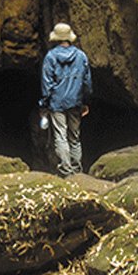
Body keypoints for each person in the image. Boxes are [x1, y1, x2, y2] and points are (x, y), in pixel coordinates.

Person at [39, 22, 92, 177]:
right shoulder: (81, 56)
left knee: (60, 136)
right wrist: (85, 101)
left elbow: (46, 84)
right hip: (75, 102)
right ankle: (77, 171)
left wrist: (44, 104)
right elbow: (87, 82)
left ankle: (66, 171)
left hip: (57, 103)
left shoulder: (50, 57)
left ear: (55, 39)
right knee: (74, 137)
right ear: (69, 38)